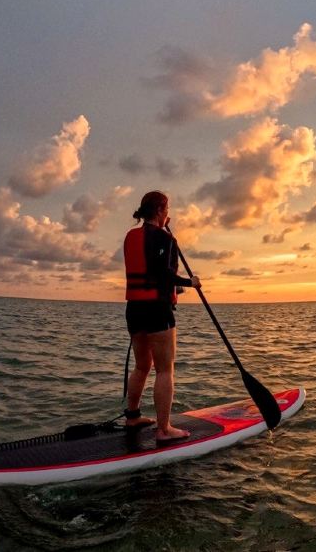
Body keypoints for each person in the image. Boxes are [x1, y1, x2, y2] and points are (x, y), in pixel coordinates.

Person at [123, 190, 200, 443]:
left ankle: (132, 416)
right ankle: (164, 429)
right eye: (167, 209)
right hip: (157, 309)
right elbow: (163, 274)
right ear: (159, 210)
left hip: (134, 309)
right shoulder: (166, 239)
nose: (168, 213)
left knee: (142, 366)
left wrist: (164, 229)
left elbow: (151, 270)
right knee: (165, 369)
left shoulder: (131, 236)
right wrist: (189, 282)